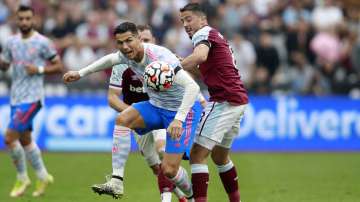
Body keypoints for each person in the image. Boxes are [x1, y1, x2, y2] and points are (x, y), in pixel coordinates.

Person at [63, 22, 202, 201]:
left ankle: (191, 196)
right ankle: (117, 181)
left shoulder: (160, 57)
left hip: (183, 112)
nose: (125, 46)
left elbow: (192, 86)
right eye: (120, 43)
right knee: (122, 119)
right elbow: (108, 60)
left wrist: (179, 119)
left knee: (169, 170)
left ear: (138, 38)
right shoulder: (125, 55)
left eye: (129, 40)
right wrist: (80, 73)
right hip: (156, 106)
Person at [92, 24, 189, 202]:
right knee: (156, 167)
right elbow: (112, 98)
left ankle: (167, 199)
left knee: (162, 152)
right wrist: (132, 114)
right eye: (139, 40)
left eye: (146, 40)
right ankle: (183, 196)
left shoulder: (161, 61)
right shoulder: (121, 64)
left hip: (161, 110)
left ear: (152, 42)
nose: (136, 45)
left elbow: (185, 85)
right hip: (140, 117)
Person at [179, 3, 249, 202]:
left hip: (224, 101)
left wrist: (173, 68)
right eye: (182, 21)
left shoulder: (203, 33)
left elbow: (200, 56)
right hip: (238, 99)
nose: (185, 24)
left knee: (197, 155)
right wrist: (184, 64)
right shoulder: (215, 36)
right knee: (219, 157)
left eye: (189, 19)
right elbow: (205, 72)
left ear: (202, 19)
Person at [0, 5, 63, 197]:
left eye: (28, 18)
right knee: (25, 140)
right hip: (16, 96)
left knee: (10, 137)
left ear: (33, 19)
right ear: (17, 20)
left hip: (33, 97)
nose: (25, 22)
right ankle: (43, 176)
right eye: (21, 19)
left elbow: (59, 66)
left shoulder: (43, 42)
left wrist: (40, 70)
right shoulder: (10, 42)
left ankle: (22, 177)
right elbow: (4, 67)